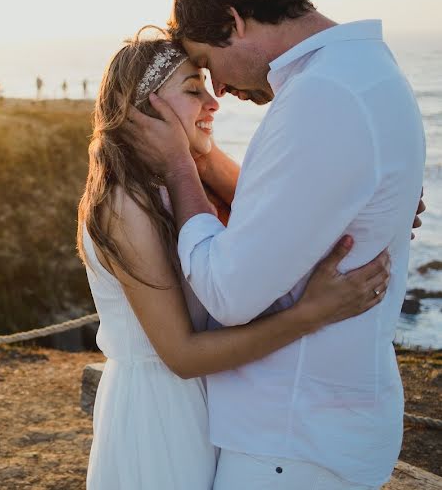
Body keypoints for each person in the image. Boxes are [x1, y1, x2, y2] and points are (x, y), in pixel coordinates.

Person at [123, 0, 426, 489]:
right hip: (310, 426)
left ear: (233, 22)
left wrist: (178, 165)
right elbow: (288, 207)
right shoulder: (363, 72)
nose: (221, 91)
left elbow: (228, 292)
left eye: (209, 65)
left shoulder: (322, 96)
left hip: (291, 437)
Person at [79, 29, 392, 489]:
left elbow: (286, 223)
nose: (214, 101)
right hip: (160, 416)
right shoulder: (125, 206)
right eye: (192, 90)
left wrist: (367, 203)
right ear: (145, 108)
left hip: (211, 406)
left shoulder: (184, 189)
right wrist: (312, 315)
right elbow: (181, 356)